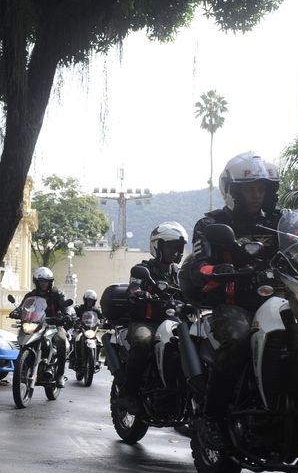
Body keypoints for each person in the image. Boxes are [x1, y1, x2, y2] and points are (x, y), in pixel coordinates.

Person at [183, 151, 284, 449]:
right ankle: (212, 418)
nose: (256, 195)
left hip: (278, 299)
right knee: (238, 340)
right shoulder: (211, 224)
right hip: (234, 303)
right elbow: (200, 263)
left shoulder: (280, 220)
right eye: (250, 189)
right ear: (234, 191)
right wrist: (215, 269)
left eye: (261, 189)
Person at [118, 221, 189, 411]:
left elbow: (189, 291)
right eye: (171, 247)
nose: (175, 252)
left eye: (178, 247)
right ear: (158, 247)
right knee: (142, 341)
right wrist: (142, 294)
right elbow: (134, 289)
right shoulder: (143, 269)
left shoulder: (178, 273)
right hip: (147, 321)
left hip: (173, 321)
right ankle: (129, 393)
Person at [18, 266, 73, 386]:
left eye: (46, 281)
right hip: (36, 324)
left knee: (61, 341)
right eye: (41, 281)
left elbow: (65, 306)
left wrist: (67, 314)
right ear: (37, 282)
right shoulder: (31, 295)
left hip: (53, 325)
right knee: (23, 338)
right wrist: (16, 312)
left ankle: (60, 375)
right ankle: (23, 367)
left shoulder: (57, 294)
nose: (43, 284)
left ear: (50, 282)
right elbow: (23, 307)